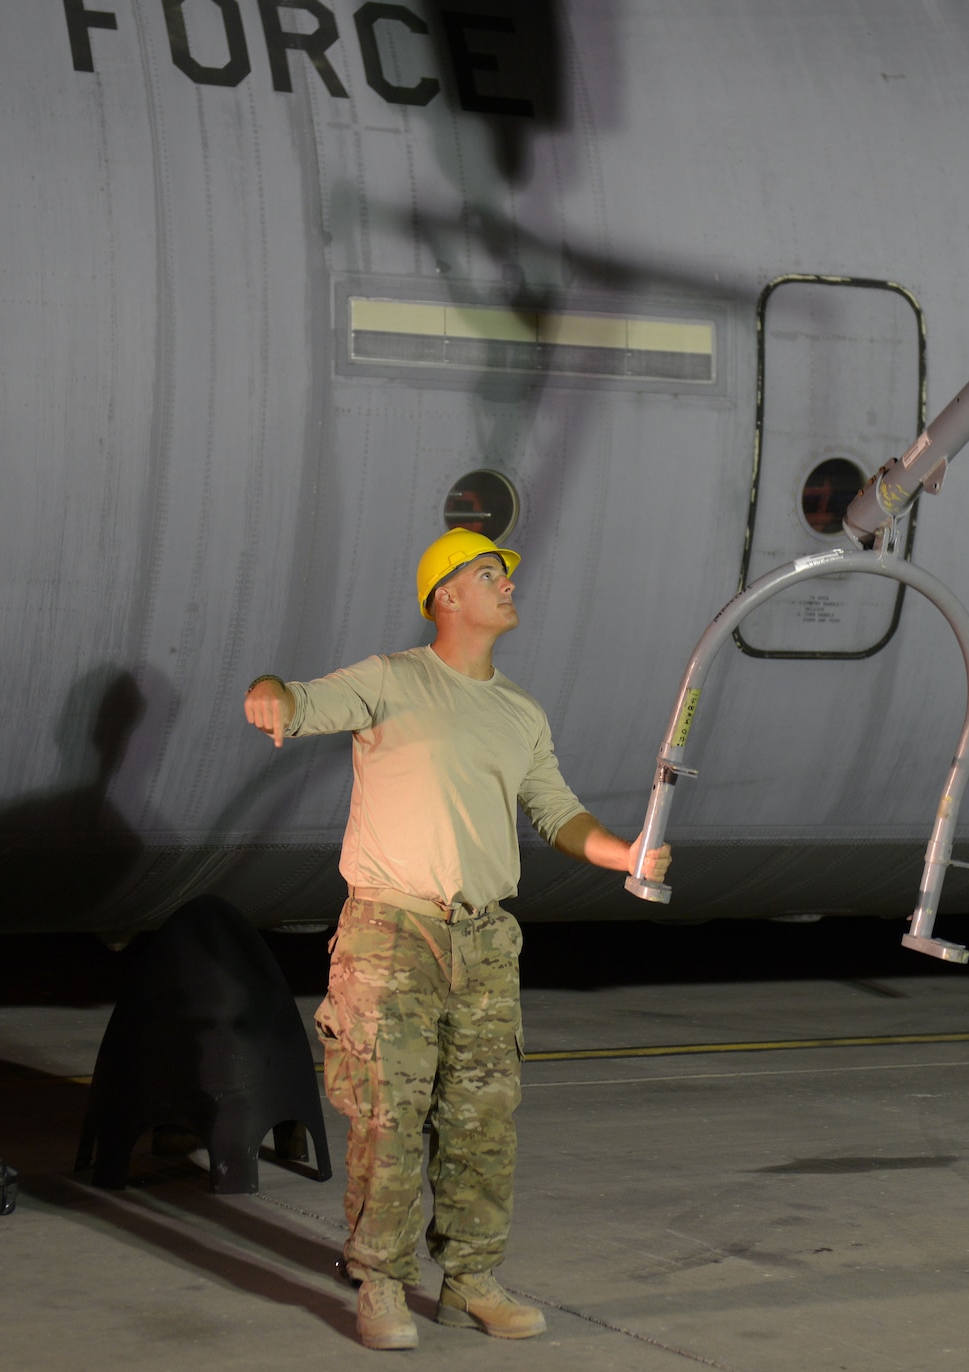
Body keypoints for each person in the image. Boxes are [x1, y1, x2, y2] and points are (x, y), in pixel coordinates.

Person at [242, 527, 671, 1351]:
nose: (506, 585)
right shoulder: (393, 680)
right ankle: (380, 1282)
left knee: (482, 1119)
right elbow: (299, 698)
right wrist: (271, 693)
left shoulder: (519, 712)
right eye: (488, 574)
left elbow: (554, 809)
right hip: (392, 931)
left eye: (504, 575)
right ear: (446, 597)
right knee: (388, 1117)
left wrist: (625, 854)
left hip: (482, 940)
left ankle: (470, 1281)